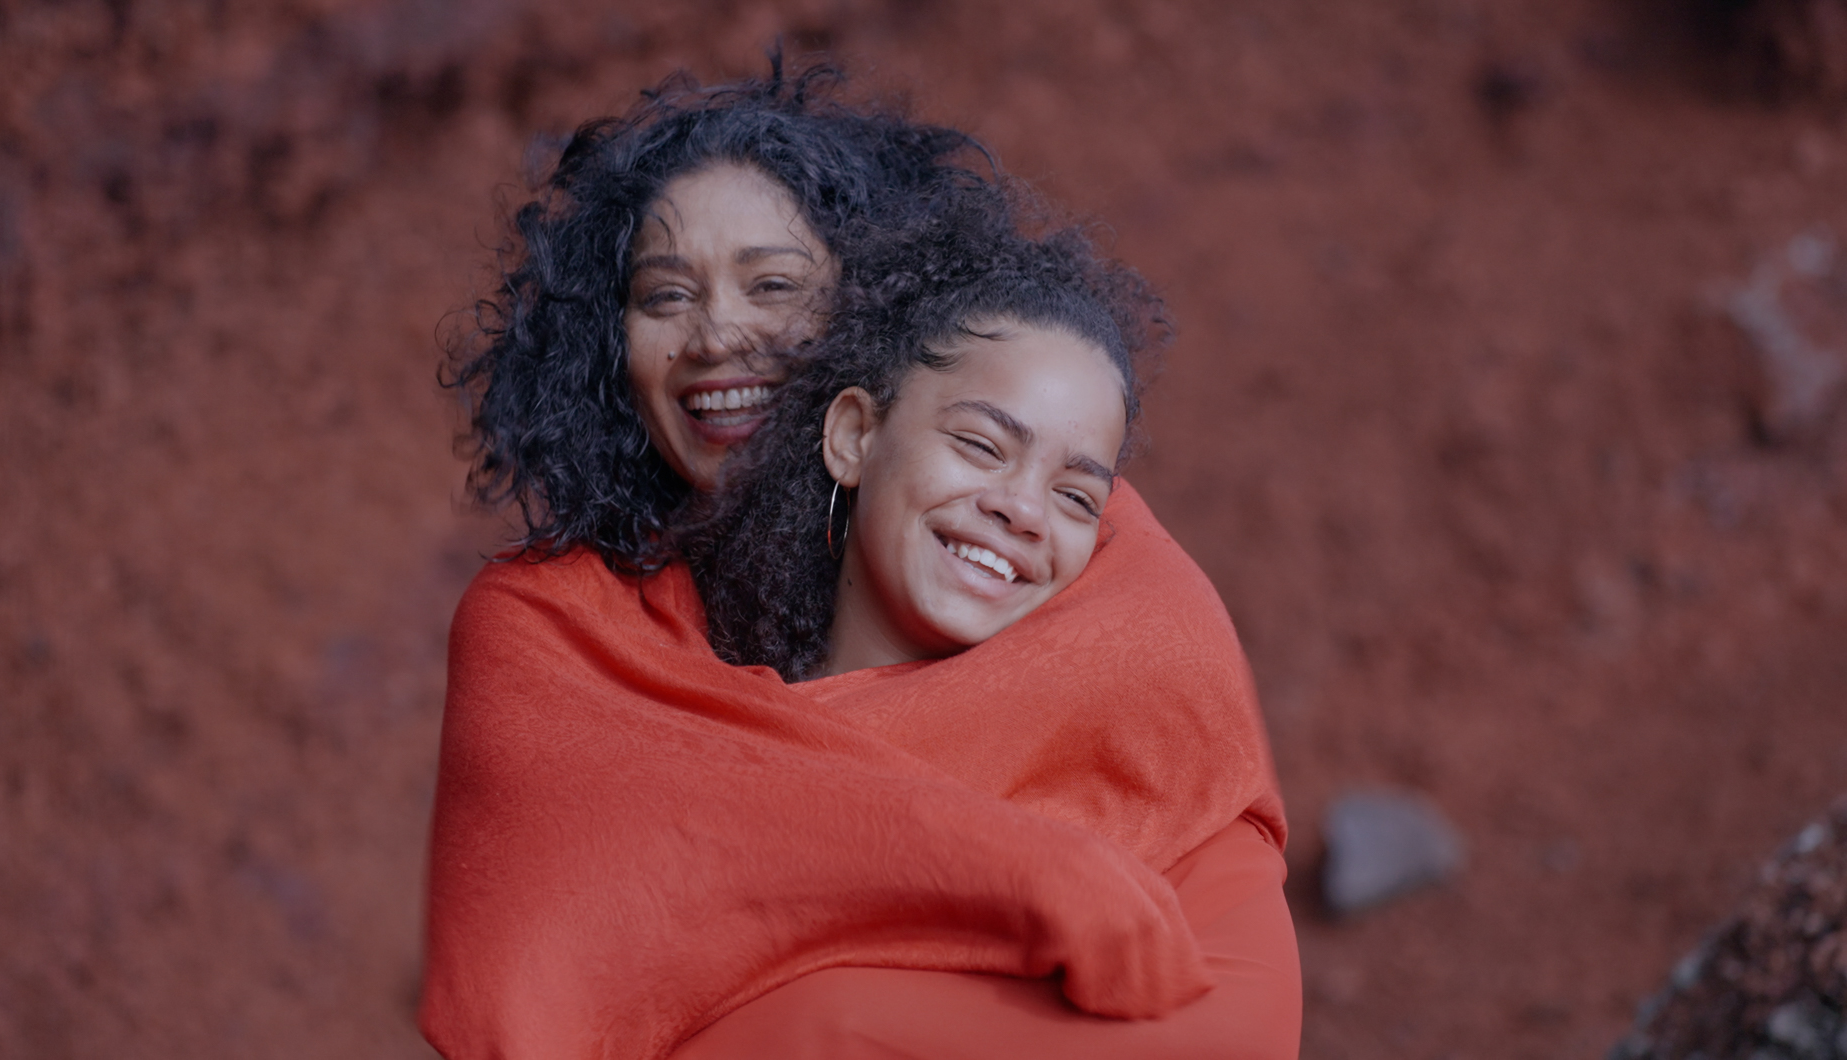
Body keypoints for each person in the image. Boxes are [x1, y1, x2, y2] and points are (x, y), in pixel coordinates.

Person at [423, 61, 1296, 1060]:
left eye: (774, 285)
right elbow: (629, 887)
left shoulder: (1062, 544)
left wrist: (820, 1022)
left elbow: (1232, 1010)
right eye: (665, 296)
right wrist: (1024, 874)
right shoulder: (540, 629)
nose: (718, 334)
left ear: (865, 317)